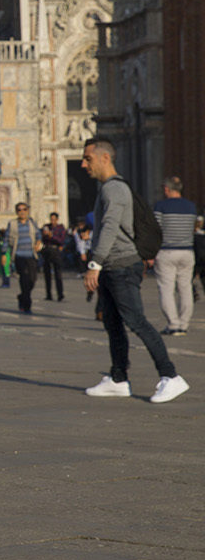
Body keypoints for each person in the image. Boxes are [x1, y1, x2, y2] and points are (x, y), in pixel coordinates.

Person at [81, 139, 188, 403]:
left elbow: (109, 227)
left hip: (121, 265)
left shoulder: (114, 190)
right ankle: (118, 378)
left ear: (105, 158)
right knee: (112, 323)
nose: (84, 164)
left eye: (88, 158)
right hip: (113, 266)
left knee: (136, 321)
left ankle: (170, 376)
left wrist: (94, 264)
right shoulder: (108, 188)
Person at [153, 176, 196, 336]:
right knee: (185, 288)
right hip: (187, 251)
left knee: (167, 288)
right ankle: (184, 324)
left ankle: (173, 324)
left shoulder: (161, 206)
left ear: (166, 189)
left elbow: (156, 230)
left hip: (166, 251)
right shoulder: (191, 206)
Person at [6, 202, 41, 314]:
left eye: (24, 209)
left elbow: (38, 234)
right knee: (24, 279)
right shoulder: (13, 224)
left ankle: (22, 296)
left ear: (27, 211)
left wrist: (38, 241)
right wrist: (3, 254)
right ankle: (27, 305)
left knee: (32, 279)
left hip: (31, 255)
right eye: (20, 210)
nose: (22, 212)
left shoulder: (31, 222)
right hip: (19, 255)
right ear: (17, 212)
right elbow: (6, 239)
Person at [39, 212, 68, 302]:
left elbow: (61, 240)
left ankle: (60, 294)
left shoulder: (60, 228)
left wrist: (52, 236)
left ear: (57, 219)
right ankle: (49, 294)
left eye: (54, 219)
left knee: (58, 274)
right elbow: (41, 238)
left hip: (56, 251)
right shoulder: (46, 227)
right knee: (47, 274)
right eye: (51, 219)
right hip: (47, 251)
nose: (52, 221)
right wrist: (44, 235)